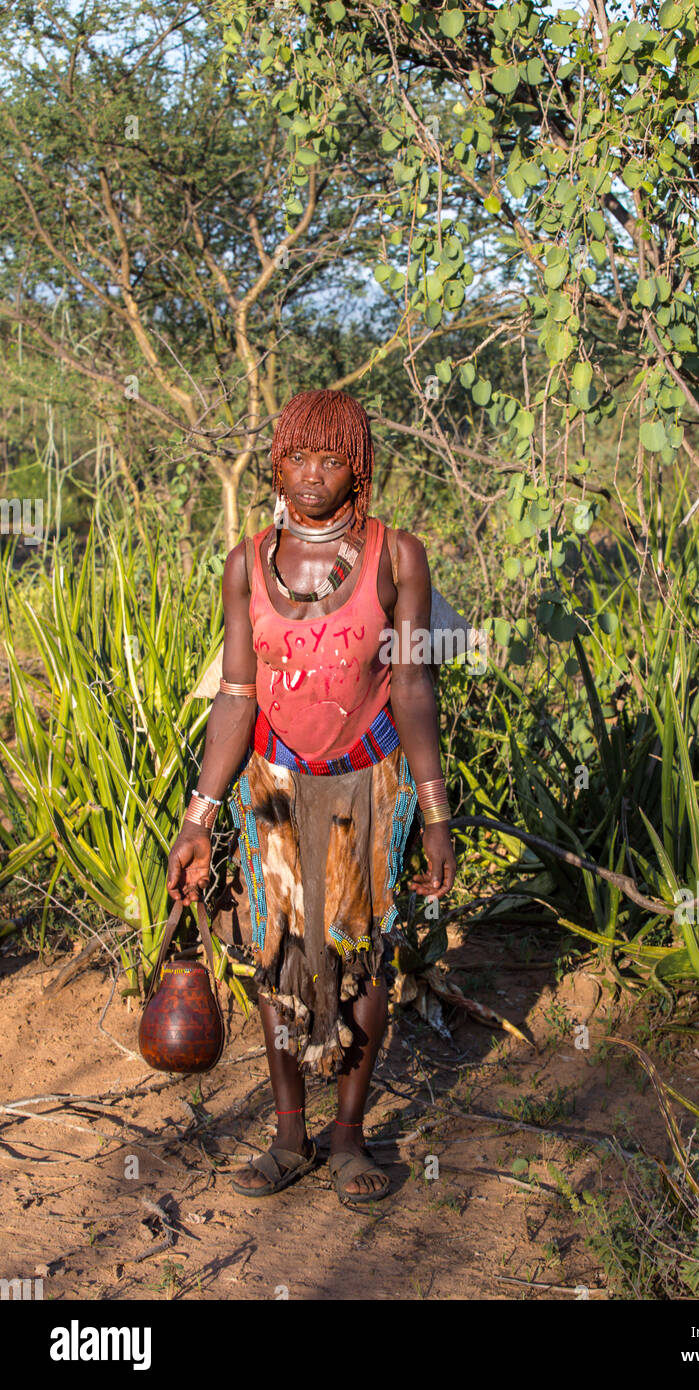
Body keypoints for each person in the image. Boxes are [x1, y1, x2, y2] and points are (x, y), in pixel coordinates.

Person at [166, 388, 457, 1205]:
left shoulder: (396, 557)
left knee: (362, 953)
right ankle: (290, 1136)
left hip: (371, 779)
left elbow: (413, 685)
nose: (312, 476)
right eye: (298, 456)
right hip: (274, 786)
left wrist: (435, 813)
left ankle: (349, 1138)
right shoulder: (244, 563)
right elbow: (235, 696)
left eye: (332, 459)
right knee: (278, 952)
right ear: (277, 462)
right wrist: (199, 819)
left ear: (358, 468)